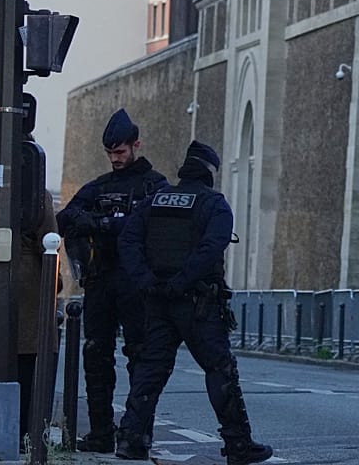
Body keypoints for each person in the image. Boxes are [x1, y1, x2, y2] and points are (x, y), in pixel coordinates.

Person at [115, 141, 272, 465]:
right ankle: (238, 445)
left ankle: (131, 440)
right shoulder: (213, 205)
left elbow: (128, 240)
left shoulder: (153, 202)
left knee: (150, 370)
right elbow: (211, 249)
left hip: (158, 300)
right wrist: (181, 281)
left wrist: (146, 281)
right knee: (219, 369)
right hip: (197, 302)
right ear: (210, 172)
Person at [55, 108, 169, 452]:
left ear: (137, 145)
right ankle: (101, 431)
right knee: (96, 355)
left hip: (137, 284)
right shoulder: (100, 187)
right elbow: (65, 218)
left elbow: (151, 225)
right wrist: (98, 221)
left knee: (140, 358)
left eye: (120, 152)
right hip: (102, 280)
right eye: (110, 153)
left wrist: (106, 224)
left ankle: (137, 433)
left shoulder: (154, 184)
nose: (115, 159)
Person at [0, 150, 59, 449]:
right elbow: (48, 238)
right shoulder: (36, 193)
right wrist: (54, 281)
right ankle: (26, 434)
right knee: (27, 360)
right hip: (28, 281)